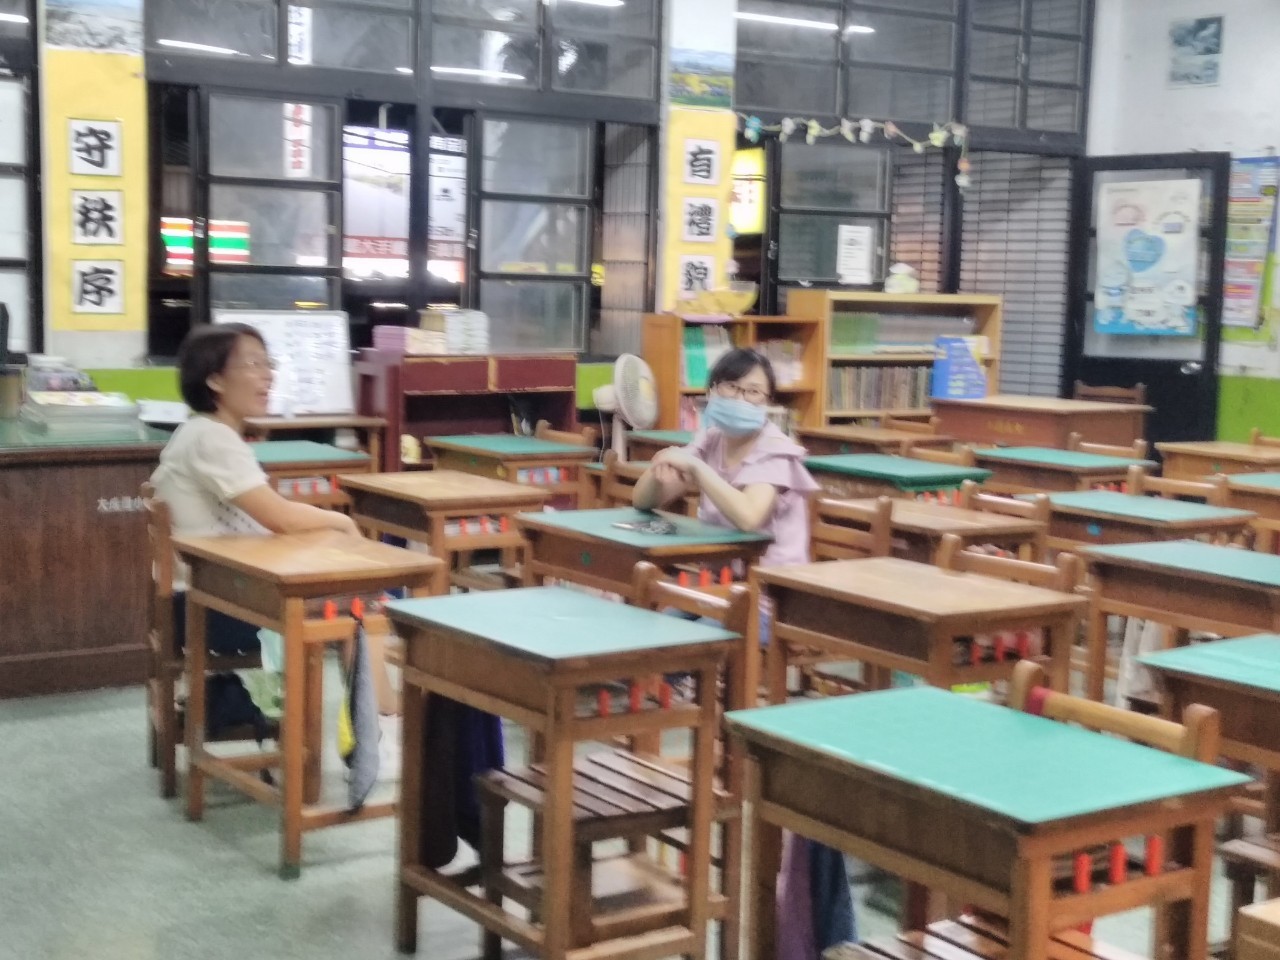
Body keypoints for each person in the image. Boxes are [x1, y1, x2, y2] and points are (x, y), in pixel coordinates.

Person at [632, 348, 856, 959]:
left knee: (689, 639)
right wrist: (661, 467)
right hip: (716, 587)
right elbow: (646, 502)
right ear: (711, 393)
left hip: (772, 601)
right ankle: (664, 756)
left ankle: (716, 752)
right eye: (730, 389)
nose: (741, 400)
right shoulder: (708, 440)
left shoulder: (775, 453)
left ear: (769, 403)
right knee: (644, 630)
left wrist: (698, 472)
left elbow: (751, 518)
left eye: (754, 392)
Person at [151, 323, 401, 771]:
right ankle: (378, 734)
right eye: (253, 364)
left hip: (207, 594)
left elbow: (272, 517)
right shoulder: (212, 438)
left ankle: (377, 727)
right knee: (367, 602)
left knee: (362, 596)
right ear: (215, 379)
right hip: (212, 607)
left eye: (268, 364)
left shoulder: (204, 433)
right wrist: (341, 521)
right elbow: (279, 518)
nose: (267, 375)